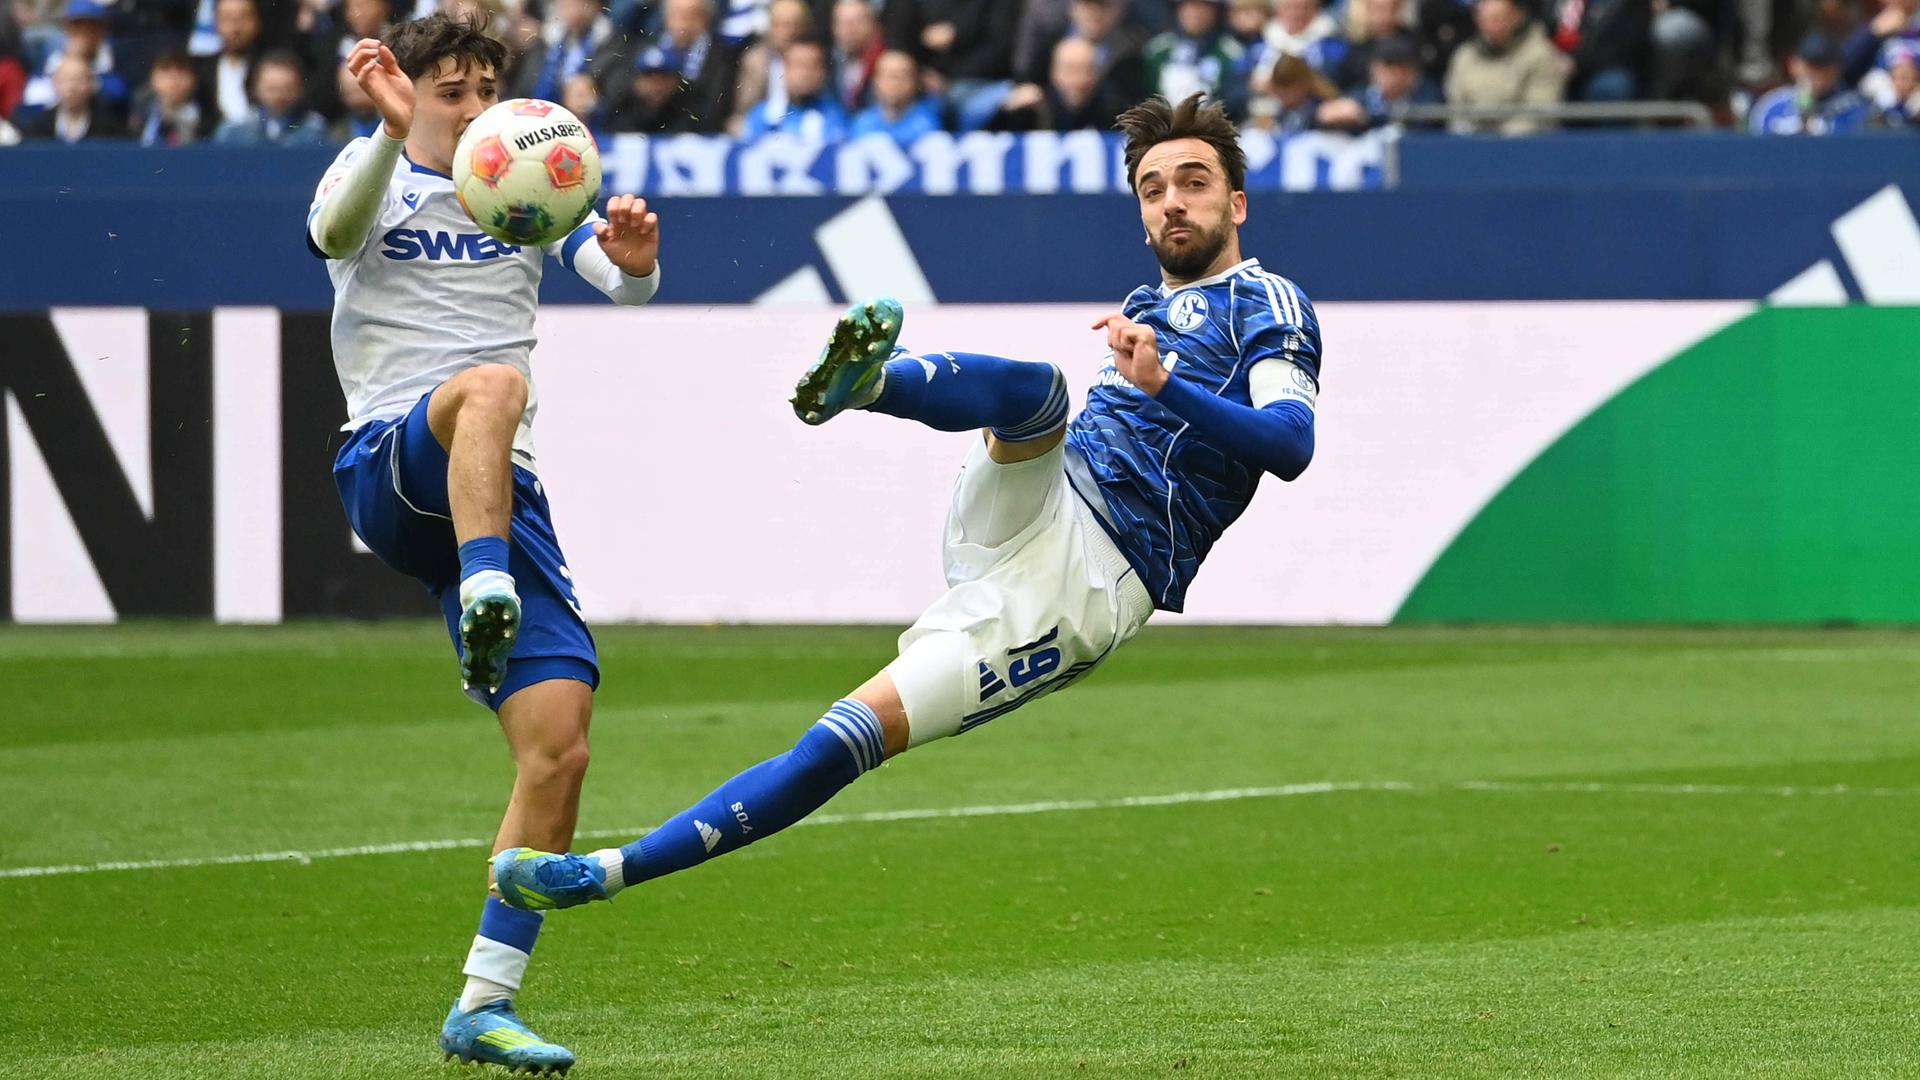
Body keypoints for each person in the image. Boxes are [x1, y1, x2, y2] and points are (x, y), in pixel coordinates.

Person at [489, 99, 1323, 1057]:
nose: (1171, 202)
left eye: (1193, 184)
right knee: (1040, 393)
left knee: (849, 735)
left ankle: (605, 872)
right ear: (1138, 212)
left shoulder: (1271, 304)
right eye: (1152, 188)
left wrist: (1164, 383)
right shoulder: (1140, 308)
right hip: (1039, 499)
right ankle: (871, 384)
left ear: (1238, 205)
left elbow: (1291, 447)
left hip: (1089, 582)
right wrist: (1148, 372)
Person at [305, 10, 662, 1073]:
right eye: (448, 90)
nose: (470, 109)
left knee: (561, 746)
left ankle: (482, 1003)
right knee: (493, 384)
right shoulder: (369, 179)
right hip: (389, 460)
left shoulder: (527, 191)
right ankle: (482, 590)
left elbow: (623, 284)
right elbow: (331, 237)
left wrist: (635, 258)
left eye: (481, 90)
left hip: (501, 494)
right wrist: (387, 131)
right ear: (409, 93)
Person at [1442, 0, 1569, 134]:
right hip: (1471, 141)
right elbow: (1455, 106)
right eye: (1485, 20)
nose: (1491, 26)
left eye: (1497, 19)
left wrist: (1500, 138)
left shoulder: (1540, 54)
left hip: (1524, 143)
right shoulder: (1464, 56)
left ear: (1516, 17)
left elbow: (1540, 111)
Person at [1749, 32, 1869, 134]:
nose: (1818, 73)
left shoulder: (1857, 107)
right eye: (1811, 65)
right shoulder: (1772, 106)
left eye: (1825, 65)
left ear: (1837, 67)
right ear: (1793, 65)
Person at [214, 48, 331, 144]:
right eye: (271, 89)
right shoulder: (235, 129)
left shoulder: (314, 130)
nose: (279, 96)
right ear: (256, 88)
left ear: (300, 89)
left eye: (287, 89)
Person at [742, 36, 849, 138]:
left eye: (813, 66)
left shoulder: (835, 115)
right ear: (784, 69)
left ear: (823, 72)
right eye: (799, 66)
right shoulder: (762, 115)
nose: (806, 74)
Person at [21, 47, 119, 138]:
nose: (71, 88)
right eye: (64, 80)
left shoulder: (109, 125)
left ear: (91, 84)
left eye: (79, 80)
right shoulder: (40, 125)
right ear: (54, 84)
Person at [848, 46, 944, 139]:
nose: (895, 83)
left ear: (915, 82)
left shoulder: (927, 121)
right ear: (875, 82)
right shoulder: (863, 123)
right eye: (888, 76)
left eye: (901, 76)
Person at [130, 47, 211, 144]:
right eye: (166, 70)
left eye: (181, 71)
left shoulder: (208, 119)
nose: (174, 80)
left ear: (194, 79)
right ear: (152, 77)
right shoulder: (140, 116)